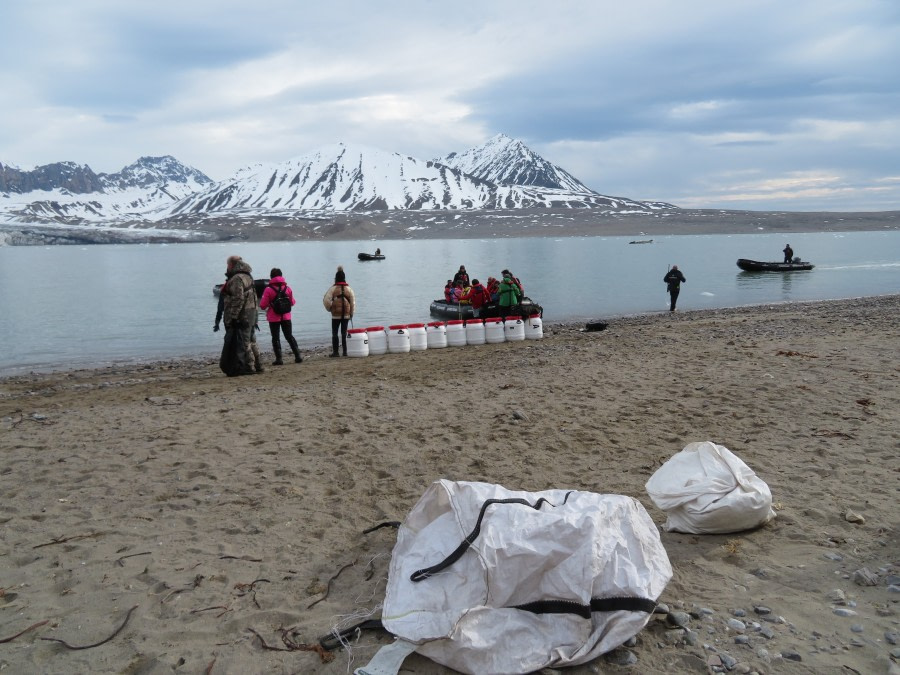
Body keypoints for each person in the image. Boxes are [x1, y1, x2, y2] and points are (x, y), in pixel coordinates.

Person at [221, 255, 263, 374]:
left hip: (244, 314)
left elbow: (238, 298)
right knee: (252, 339)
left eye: (227, 265)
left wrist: (233, 316)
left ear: (231, 265)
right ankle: (259, 365)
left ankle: (250, 367)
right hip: (253, 311)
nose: (227, 268)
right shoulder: (248, 276)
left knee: (245, 342)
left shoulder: (237, 279)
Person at [259, 268, 302, 365]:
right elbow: (292, 302)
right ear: (281, 276)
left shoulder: (268, 290)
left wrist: (270, 304)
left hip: (273, 317)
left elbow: (262, 305)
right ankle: (298, 355)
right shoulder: (288, 288)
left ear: (271, 277)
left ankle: (279, 359)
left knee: (275, 338)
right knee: (289, 336)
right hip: (286, 316)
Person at [323, 266, 356, 357]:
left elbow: (326, 300)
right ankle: (345, 351)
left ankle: (336, 352)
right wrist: (351, 313)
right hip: (346, 314)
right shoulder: (349, 289)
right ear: (344, 278)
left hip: (335, 315)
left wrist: (330, 308)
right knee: (344, 333)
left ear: (336, 278)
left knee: (335, 333)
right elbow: (353, 302)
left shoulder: (333, 289)